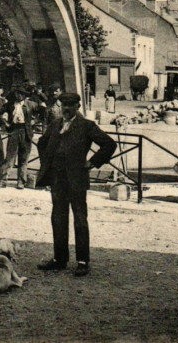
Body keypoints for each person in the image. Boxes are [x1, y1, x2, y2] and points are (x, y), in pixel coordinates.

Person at [36, 93, 117, 277]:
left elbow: (109, 145)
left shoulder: (87, 125)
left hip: (76, 179)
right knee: (58, 217)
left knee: (80, 219)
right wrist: (48, 165)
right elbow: (42, 143)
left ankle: (82, 261)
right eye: (64, 104)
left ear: (78, 106)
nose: (66, 108)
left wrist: (92, 162)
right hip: (57, 179)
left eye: (71, 105)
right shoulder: (55, 124)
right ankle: (59, 259)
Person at [0, 86, 36, 189]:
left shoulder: (30, 105)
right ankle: (2, 180)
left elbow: (43, 113)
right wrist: (5, 122)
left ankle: (21, 181)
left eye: (21, 94)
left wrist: (35, 121)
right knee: (10, 157)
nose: (19, 96)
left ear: (25, 96)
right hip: (14, 130)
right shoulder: (10, 105)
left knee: (24, 157)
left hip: (26, 131)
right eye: (17, 93)